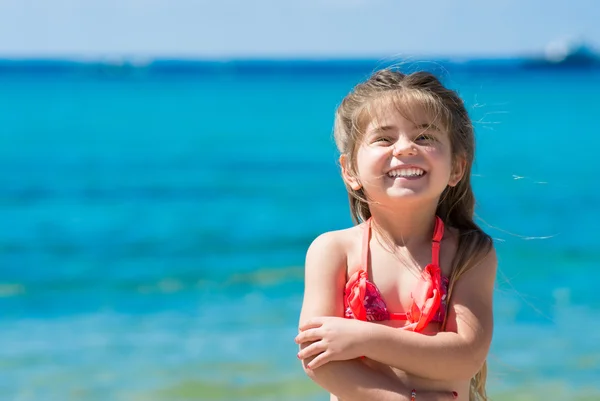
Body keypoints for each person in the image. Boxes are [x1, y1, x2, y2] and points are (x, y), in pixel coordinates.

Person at [295, 69, 497, 401]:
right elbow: (318, 359)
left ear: (457, 168)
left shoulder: (469, 253)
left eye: (425, 137)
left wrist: (361, 337)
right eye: (384, 138)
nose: (404, 148)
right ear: (350, 171)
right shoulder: (334, 251)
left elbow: (466, 356)